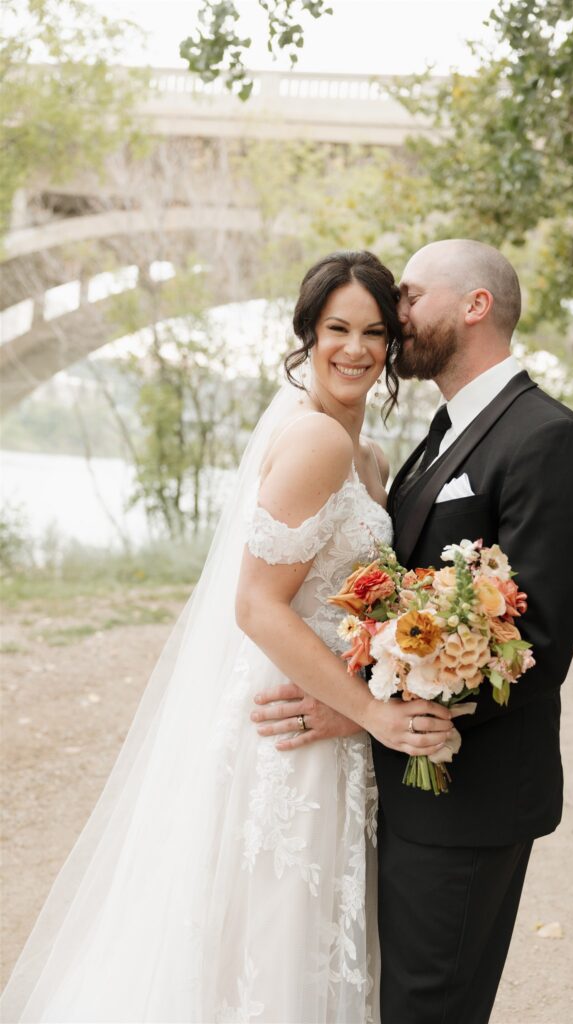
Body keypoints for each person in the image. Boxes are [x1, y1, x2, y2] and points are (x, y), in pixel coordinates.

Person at [0, 250, 456, 1024]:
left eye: (373, 331)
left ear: (390, 346)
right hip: (291, 726)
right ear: (305, 335)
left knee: (297, 935)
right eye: (335, 327)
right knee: (275, 940)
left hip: (327, 718)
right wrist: (376, 713)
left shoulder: (367, 455)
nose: (354, 348)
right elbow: (256, 606)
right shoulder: (317, 442)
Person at [252, 239, 573, 1024]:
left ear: (473, 306)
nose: (392, 314)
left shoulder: (548, 440)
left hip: (467, 797)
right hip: (403, 788)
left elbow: (535, 647)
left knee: (427, 1007)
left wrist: (355, 709)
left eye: (408, 299)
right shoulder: (439, 436)